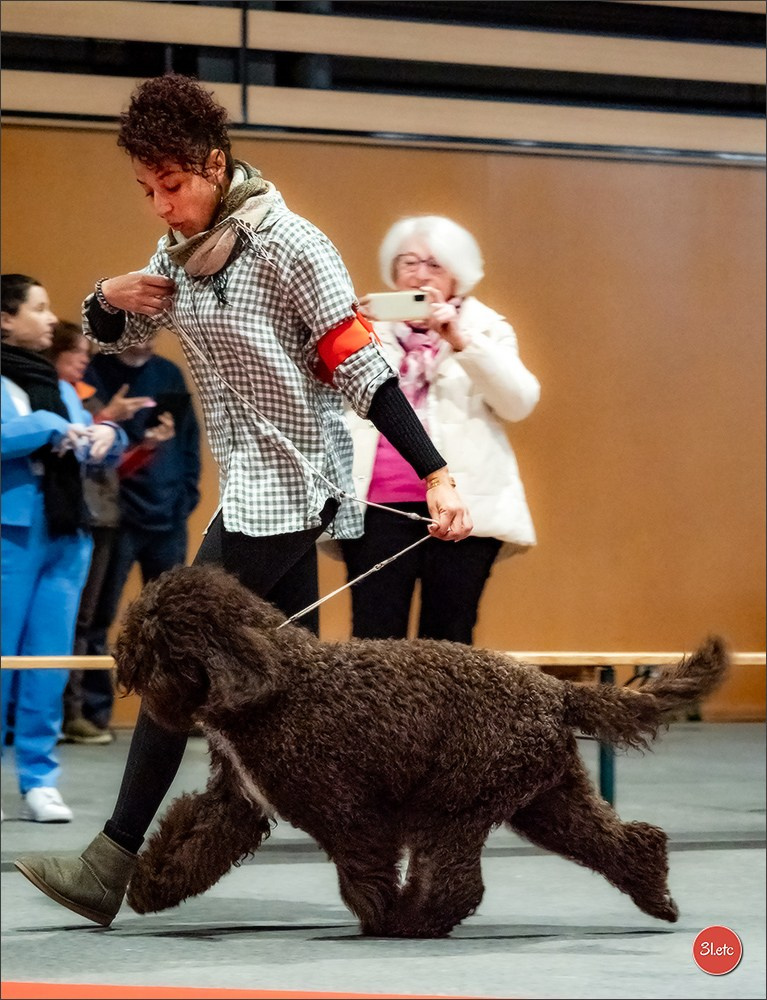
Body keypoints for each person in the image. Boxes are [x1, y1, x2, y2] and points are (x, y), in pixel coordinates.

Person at [14, 74, 471, 923]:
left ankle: (110, 860)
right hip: (249, 479)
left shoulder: (296, 245)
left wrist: (436, 471)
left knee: (173, 654)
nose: (160, 207)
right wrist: (103, 301)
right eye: (146, 191)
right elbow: (131, 339)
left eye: (173, 186)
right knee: (286, 698)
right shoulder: (174, 255)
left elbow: (363, 369)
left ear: (215, 165)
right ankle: (372, 851)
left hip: (295, 483)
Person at [340, 216, 540, 643]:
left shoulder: (486, 329)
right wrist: (350, 329)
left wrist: (459, 338)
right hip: (378, 507)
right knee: (374, 644)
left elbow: (519, 402)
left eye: (434, 264)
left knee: (449, 642)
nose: (419, 274)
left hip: (462, 514)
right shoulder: (368, 329)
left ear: (459, 274)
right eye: (408, 262)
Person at [1, 276, 126, 822]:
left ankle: (39, 777)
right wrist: (49, 426)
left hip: (65, 532)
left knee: (50, 660)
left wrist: (108, 438)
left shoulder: (55, 382)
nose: (52, 319)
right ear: (5, 319)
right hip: (11, 533)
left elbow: (92, 438)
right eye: (40, 308)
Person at [44, 322, 174, 745]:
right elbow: (70, 448)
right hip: (69, 516)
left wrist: (145, 443)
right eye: (76, 352)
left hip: (102, 514)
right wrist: (106, 418)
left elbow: (110, 460)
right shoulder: (52, 393)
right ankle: (66, 713)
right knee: (74, 621)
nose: (85, 358)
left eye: (86, 351)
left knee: (88, 618)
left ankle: (73, 713)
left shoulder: (81, 393)